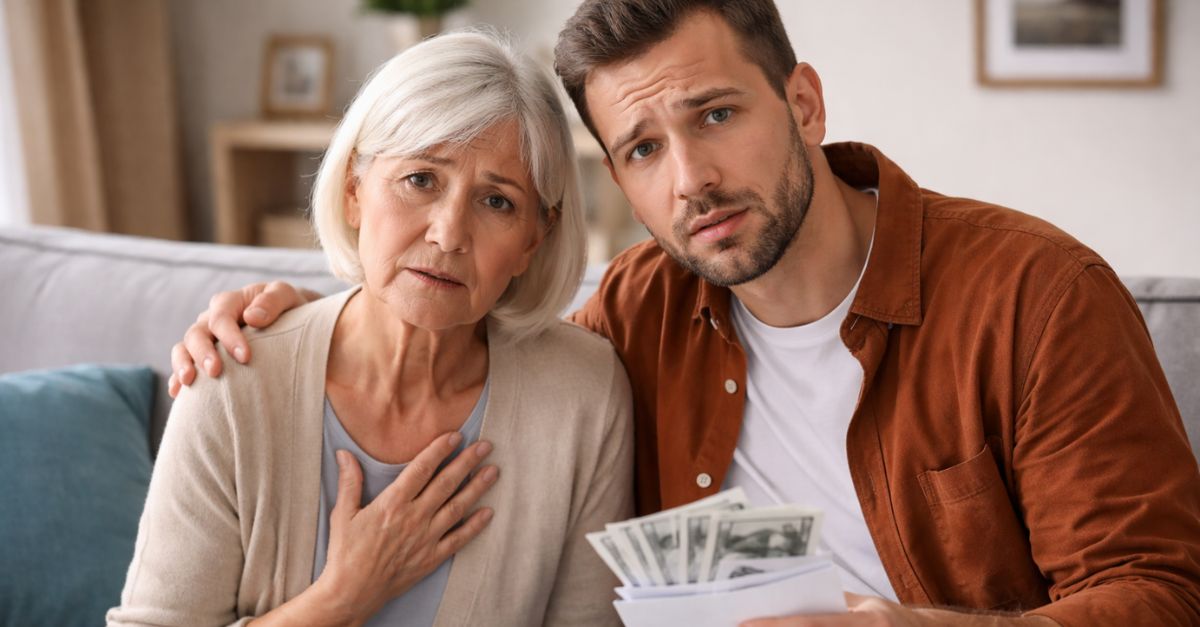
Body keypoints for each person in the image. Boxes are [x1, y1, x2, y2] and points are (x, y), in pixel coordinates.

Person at [170, 1, 1200, 624]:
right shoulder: (636, 314)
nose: (692, 180)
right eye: (644, 149)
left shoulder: (1035, 297)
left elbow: (1163, 595)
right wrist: (300, 317)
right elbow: (468, 336)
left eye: (716, 115)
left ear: (801, 104)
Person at [108, 31, 633, 627]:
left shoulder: (583, 396)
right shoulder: (231, 382)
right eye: (421, 180)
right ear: (355, 191)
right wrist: (344, 597)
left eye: (497, 203)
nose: (448, 233)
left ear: (533, 241)